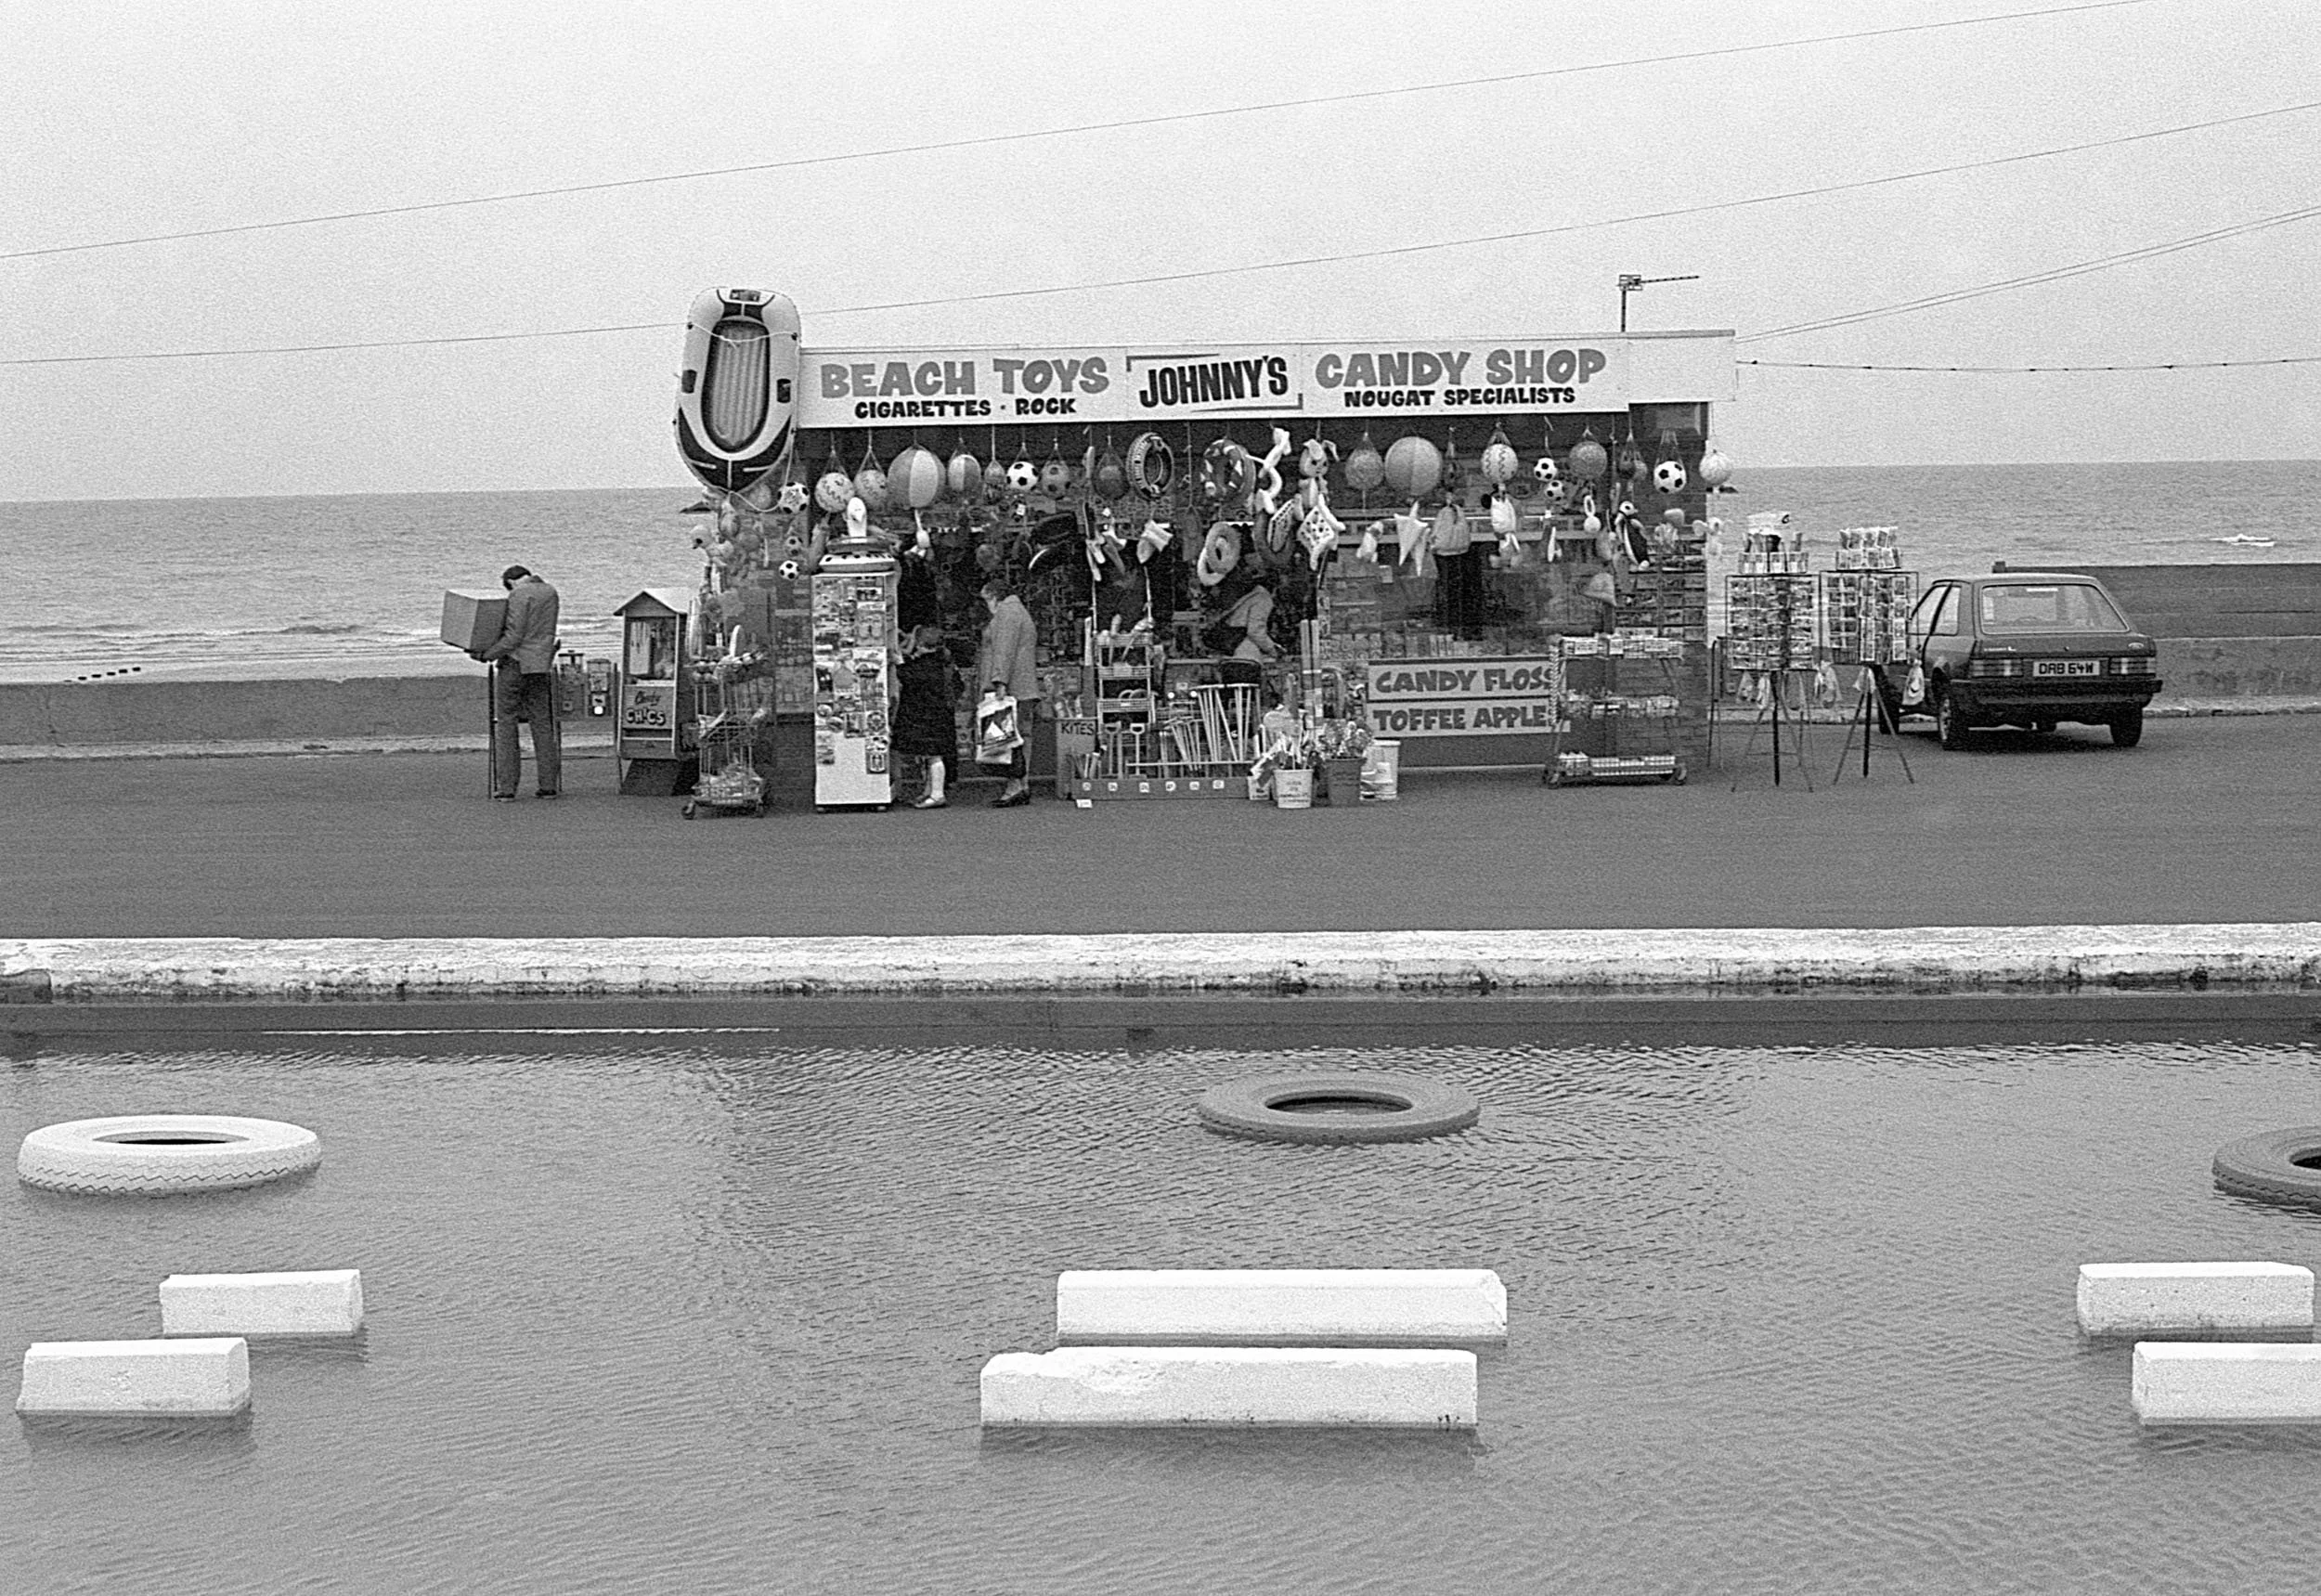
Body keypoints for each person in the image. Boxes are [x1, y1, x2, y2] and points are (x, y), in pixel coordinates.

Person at [472, 564, 562, 801]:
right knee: (542, 724)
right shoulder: (550, 591)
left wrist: (487, 655)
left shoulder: (519, 594)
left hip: (516, 663)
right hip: (541, 664)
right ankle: (548, 786)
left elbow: (514, 636)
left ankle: (507, 788)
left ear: (510, 582)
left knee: (507, 723)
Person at [976, 576, 1040, 808]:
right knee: (1022, 735)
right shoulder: (1020, 611)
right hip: (1024, 685)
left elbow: (1004, 649)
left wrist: (999, 682)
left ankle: (1014, 786)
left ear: (994, 597)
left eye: (986, 600)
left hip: (1012, 687)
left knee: (1008, 738)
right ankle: (1022, 784)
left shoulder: (1007, 613)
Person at [892, 624, 959, 810]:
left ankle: (937, 794)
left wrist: (900, 663)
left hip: (926, 717)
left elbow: (910, 679)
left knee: (933, 756)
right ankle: (929, 791)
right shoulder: (942, 662)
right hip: (940, 714)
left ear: (920, 644)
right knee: (931, 756)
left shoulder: (925, 665)